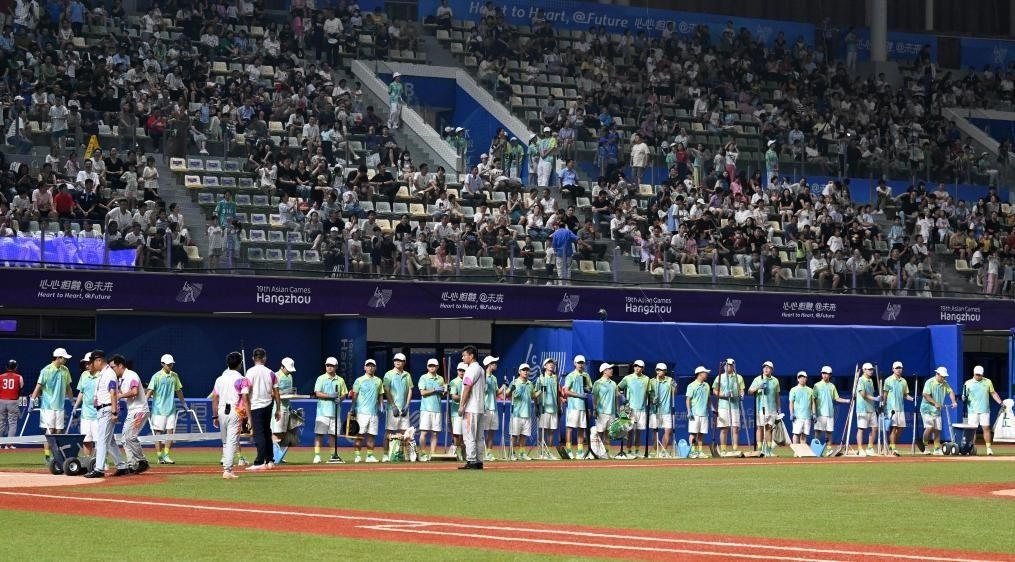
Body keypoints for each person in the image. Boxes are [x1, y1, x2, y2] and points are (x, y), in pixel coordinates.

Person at [83, 351, 129, 478]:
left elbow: (113, 393)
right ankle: (122, 466)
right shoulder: (103, 374)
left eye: (93, 362)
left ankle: (99, 469)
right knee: (110, 441)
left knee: (102, 439)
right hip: (102, 410)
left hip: (107, 410)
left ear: (99, 361)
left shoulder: (109, 373)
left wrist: (114, 412)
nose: (91, 364)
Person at [29, 347, 73, 462]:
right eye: (64, 358)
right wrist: (32, 401)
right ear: (58, 358)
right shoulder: (46, 370)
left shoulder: (65, 370)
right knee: (49, 432)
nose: (66, 360)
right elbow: (38, 386)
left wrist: (72, 402)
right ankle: (48, 457)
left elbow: (68, 387)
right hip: (48, 407)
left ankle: (57, 456)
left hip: (60, 407)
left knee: (59, 432)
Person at [212, 351, 250, 479]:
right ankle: (227, 470)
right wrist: (249, 417)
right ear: (240, 364)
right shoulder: (242, 379)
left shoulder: (220, 379)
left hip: (221, 411)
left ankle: (227, 467)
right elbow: (245, 399)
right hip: (235, 411)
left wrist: (215, 416)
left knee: (225, 441)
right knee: (232, 441)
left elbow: (215, 398)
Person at [110, 354, 149, 474]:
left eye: (113, 367)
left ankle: (142, 461)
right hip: (132, 411)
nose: (112, 370)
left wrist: (120, 396)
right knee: (124, 438)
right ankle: (132, 464)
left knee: (130, 437)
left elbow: (135, 391)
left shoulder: (131, 375)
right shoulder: (120, 379)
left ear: (120, 365)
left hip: (139, 411)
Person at [244, 347, 281, 470]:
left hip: (256, 406)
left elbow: (245, 393)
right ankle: (270, 460)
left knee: (259, 434)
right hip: (268, 405)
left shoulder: (250, 372)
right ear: (264, 358)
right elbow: (276, 392)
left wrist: (248, 416)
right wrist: (278, 409)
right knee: (266, 433)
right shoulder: (271, 373)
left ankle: (259, 461)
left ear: (253, 358)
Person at [147, 354, 187, 465]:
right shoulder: (156, 376)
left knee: (170, 431)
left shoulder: (174, 376)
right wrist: (144, 405)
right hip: (158, 410)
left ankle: (166, 455)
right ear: (162, 364)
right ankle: (159, 456)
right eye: (168, 364)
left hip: (171, 409)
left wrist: (184, 403)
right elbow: (150, 391)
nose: (170, 366)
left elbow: (178, 391)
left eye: (171, 364)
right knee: (158, 433)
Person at [312, 357, 347, 464]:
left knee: (333, 435)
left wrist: (340, 399)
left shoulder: (340, 380)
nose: (329, 367)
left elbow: (344, 393)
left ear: (336, 367)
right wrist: (330, 396)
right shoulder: (321, 378)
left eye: (331, 365)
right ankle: (317, 456)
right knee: (319, 434)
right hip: (322, 412)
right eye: (327, 365)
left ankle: (333, 455)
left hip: (335, 412)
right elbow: (317, 393)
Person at [963, 365, 1004, 456]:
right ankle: (971, 448)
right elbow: (964, 396)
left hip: (985, 410)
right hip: (972, 410)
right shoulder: (967, 383)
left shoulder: (988, 381)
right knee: (972, 430)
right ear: (974, 373)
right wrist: (964, 397)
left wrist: (1000, 402)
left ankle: (989, 449)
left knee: (986, 428)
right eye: (977, 374)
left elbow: (993, 393)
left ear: (982, 374)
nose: (978, 376)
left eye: (980, 375)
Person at [458, 345, 487, 469]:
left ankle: (471, 460)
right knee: (479, 437)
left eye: (464, 355)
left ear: (471, 356)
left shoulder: (471, 369)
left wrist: (461, 405)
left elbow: (467, 387)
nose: (463, 358)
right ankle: (479, 460)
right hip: (480, 408)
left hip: (471, 408)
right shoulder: (481, 369)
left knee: (469, 435)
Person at [383, 352, 414, 462]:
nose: (397, 362)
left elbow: (410, 390)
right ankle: (385, 454)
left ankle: (400, 454)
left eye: (400, 360)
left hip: (404, 408)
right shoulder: (389, 374)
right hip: (393, 408)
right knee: (389, 432)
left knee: (404, 432)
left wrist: (407, 405)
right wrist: (393, 405)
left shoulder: (407, 375)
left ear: (404, 362)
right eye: (396, 360)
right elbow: (386, 390)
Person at [351, 358, 383, 463]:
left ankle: (369, 456)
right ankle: (357, 456)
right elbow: (355, 395)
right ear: (364, 367)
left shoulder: (378, 381)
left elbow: (380, 395)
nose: (370, 368)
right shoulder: (359, 380)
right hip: (362, 413)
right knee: (359, 436)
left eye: (372, 366)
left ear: (375, 368)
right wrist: (352, 408)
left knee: (371, 436)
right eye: (368, 366)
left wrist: (381, 406)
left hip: (373, 413)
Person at [920, 366, 957, 456]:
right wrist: (935, 403)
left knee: (937, 430)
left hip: (937, 411)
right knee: (929, 427)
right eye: (942, 376)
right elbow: (925, 394)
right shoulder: (929, 382)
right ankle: (925, 446)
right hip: (927, 409)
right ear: (937, 374)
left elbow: (951, 392)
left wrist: (954, 401)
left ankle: (936, 449)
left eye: (945, 377)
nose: (944, 378)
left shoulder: (945, 383)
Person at [617, 359, 650, 459]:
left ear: (643, 368)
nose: (637, 368)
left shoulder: (647, 379)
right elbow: (618, 388)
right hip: (630, 409)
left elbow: (649, 392)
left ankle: (637, 451)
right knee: (630, 431)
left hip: (642, 409)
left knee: (638, 431)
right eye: (635, 366)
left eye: (639, 366)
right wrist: (622, 396)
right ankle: (629, 451)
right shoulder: (628, 378)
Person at [561, 355, 591, 458]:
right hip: (573, 407)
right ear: (575, 364)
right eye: (579, 363)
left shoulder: (586, 375)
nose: (580, 365)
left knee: (581, 429)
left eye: (582, 363)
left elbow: (589, 389)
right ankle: (569, 451)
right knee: (570, 428)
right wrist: (579, 395)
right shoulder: (571, 376)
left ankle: (580, 451)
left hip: (583, 407)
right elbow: (566, 391)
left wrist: (588, 390)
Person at [813, 366, 850, 450]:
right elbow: (813, 400)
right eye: (823, 373)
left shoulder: (832, 386)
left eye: (827, 374)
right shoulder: (817, 385)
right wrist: (814, 413)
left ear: (830, 375)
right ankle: (815, 448)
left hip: (830, 413)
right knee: (818, 432)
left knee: (829, 432)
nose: (825, 375)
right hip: (820, 413)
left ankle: (828, 449)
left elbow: (837, 398)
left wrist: (847, 401)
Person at [748, 360, 780, 456]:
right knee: (760, 428)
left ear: (772, 369)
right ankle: (759, 450)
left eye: (768, 367)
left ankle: (769, 450)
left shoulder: (775, 381)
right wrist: (758, 387)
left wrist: (779, 408)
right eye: (764, 367)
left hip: (772, 408)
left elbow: (777, 396)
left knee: (769, 428)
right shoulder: (758, 379)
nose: (766, 369)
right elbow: (749, 392)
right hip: (760, 408)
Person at [714, 358, 745, 455]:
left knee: (735, 428)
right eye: (727, 365)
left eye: (730, 365)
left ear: (733, 366)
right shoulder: (719, 377)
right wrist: (723, 394)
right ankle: (723, 450)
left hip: (735, 406)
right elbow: (715, 390)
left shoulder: (738, 377)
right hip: (723, 406)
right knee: (724, 428)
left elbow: (741, 389)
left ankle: (735, 449)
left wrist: (742, 395)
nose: (728, 367)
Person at [882, 361, 913, 456]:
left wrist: (912, 399)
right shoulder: (888, 380)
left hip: (901, 409)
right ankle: (893, 448)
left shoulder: (904, 381)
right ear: (893, 369)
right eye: (897, 368)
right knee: (893, 428)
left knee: (901, 428)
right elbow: (885, 394)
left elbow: (905, 395)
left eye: (900, 368)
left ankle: (890, 445)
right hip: (891, 409)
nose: (899, 370)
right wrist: (883, 405)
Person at [417, 358, 445, 462]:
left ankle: (433, 454)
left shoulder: (440, 379)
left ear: (437, 367)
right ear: (427, 367)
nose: (432, 367)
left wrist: (445, 390)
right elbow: (422, 393)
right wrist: (435, 389)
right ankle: (423, 453)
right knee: (424, 433)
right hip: (426, 410)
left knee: (435, 433)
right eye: (430, 366)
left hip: (437, 409)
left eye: (434, 365)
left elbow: (442, 394)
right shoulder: (423, 377)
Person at [507, 363, 534, 461]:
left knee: (524, 435)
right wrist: (511, 390)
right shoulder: (514, 382)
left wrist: (541, 391)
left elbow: (533, 395)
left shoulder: (530, 384)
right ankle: (512, 453)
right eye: (523, 370)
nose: (526, 372)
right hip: (516, 414)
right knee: (514, 435)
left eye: (527, 370)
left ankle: (522, 453)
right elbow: (507, 394)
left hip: (527, 413)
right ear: (519, 372)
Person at [272, 357, 296, 462]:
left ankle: (278, 457)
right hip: (278, 408)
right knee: (276, 432)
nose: (289, 371)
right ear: (282, 366)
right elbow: (271, 392)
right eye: (288, 369)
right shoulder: (275, 376)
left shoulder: (290, 376)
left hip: (287, 407)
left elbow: (290, 392)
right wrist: (280, 393)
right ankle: (273, 457)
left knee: (283, 433)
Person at [534, 358, 559, 458]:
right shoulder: (540, 378)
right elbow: (535, 394)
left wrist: (559, 406)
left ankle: (549, 452)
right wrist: (536, 407)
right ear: (545, 366)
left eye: (552, 363)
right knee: (542, 430)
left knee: (551, 431)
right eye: (549, 363)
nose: (551, 365)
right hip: (543, 408)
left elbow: (557, 393)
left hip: (554, 408)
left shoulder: (556, 378)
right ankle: (541, 452)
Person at [649, 363, 675, 457]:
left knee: (668, 431)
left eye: (661, 370)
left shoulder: (670, 380)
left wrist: (674, 387)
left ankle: (663, 451)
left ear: (665, 371)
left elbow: (675, 392)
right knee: (655, 431)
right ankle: (656, 450)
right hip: (654, 411)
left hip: (666, 410)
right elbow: (648, 395)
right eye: (657, 370)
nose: (659, 371)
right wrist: (652, 399)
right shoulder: (651, 381)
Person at [592, 362, 617, 458]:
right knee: (599, 433)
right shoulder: (598, 383)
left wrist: (618, 410)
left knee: (608, 434)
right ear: (604, 371)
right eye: (609, 369)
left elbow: (616, 397)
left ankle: (606, 453)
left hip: (612, 413)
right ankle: (597, 453)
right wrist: (594, 409)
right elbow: (594, 397)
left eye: (611, 369)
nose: (612, 370)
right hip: (601, 412)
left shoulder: (614, 384)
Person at [854, 362, 880, 457]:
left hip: (871, 408)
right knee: (861, 429)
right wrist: (875, 399)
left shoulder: (871, 381)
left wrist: (875, 403)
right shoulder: (860, 380)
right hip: (862, 409)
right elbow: (863, 394)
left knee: (875, 428)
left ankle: (869, 448)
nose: (871, 371)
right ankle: (860, 449)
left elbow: (870, 394)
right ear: (864, 370)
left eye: (872, 369)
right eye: (869, 369)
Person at [686, 366, 711, 459]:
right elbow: (688, 399)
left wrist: (712, 408)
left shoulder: (707, 385)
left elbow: (709, 399)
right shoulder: (691, 385)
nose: (707, 374)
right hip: (695, 414)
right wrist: (689, 411)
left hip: (704, 414)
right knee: (693, 433)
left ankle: (700, 452)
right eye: (705, 373)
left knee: (701, 434)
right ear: (700, 374)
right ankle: (692, 452)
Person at [0, 360, 24, 447]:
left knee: (1, 422)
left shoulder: (0, 377)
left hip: (1, 401)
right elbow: (21, 388)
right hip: (13, 401)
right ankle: (8, 445)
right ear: (15, 367)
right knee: (12, 423)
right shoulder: (19, 377)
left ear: (7, 367)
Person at [481, 355, 500, 461]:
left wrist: (504, 387)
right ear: (489, 365)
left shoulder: (494, 378)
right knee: (483, 432)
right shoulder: (482, 377)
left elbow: (496, 392)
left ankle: (488, 453)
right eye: (494, 363)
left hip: (494, 408)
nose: (496, 365)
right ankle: (481, 453)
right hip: (485, 408)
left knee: (491, 432)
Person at [788, 372, 815, 445]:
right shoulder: (793, 390)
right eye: (800, 377)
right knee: (796, 434)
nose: (802, 379)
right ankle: (796, 450)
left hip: (807, 417)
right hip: (797, 417)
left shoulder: (810, 390)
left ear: (806, 379)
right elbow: (791, 403)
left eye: (804, 377)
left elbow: (813, 403)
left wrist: (813, 414)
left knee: (804, 435)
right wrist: (791, 413)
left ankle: (802, 450)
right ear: (797, 379)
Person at [449, 362, 466, 458]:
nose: (461, 372)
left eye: (463, 370)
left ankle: (464, 453)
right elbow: (454, 397)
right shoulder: (454, 382)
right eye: (460, 370)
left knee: (464, 434)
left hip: (466, 411)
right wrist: (465, 397)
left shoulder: (469, 381)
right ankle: (456, 452)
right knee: (456, 433)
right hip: (456, 412)